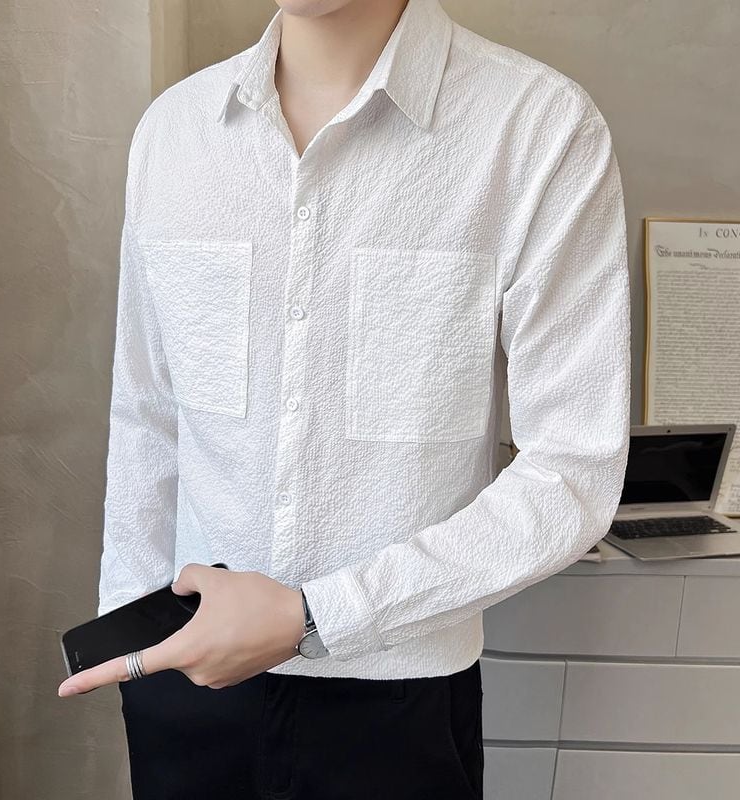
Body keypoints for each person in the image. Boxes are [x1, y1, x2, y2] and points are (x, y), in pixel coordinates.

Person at [57, 0, 631, 798]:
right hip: (184, 679)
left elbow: (572, 471)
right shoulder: (174, 132)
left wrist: (320, 613)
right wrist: (132, 639)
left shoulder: (537, 128)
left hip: (397, 697)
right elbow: (149, 415)